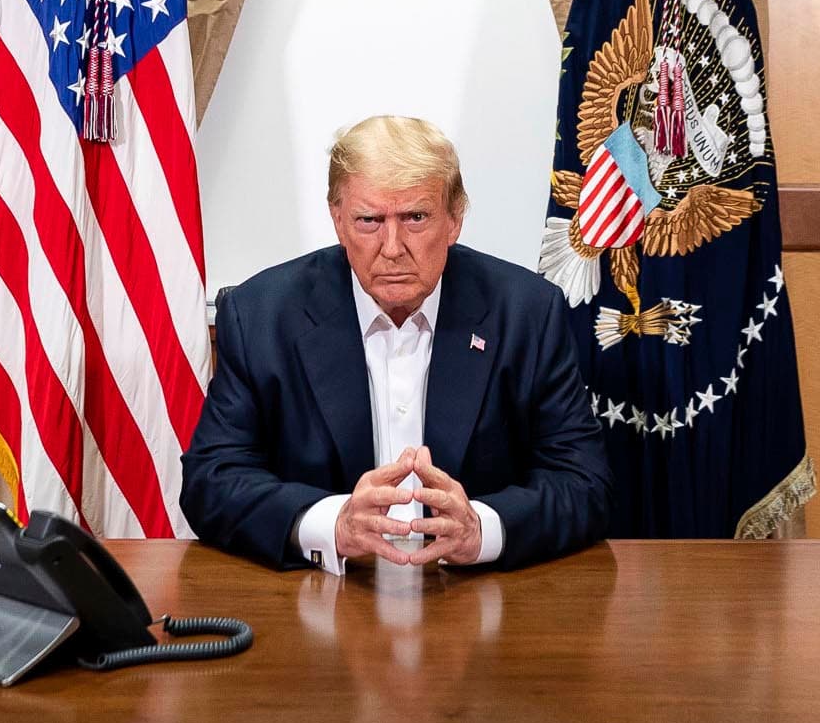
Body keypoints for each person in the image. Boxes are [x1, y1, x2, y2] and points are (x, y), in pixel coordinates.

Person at [182, 115, 610, 571]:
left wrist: (479, 529)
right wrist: (332, 524)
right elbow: (211, 480)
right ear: (338, 220)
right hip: (321, 605)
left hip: (476, 603)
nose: (392, 246)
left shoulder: (525, 313)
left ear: (455, 218)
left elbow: (585, 483)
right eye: (369, 220)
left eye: (416, 218)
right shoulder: (262, 316)